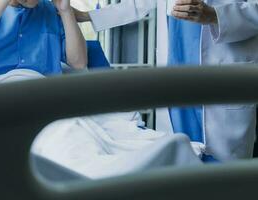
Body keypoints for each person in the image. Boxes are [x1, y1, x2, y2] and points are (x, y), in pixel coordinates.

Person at [74, 0, 258, 161]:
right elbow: (139, 4)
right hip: (177, 74)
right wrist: (87, 16)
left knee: (226, 178)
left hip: (223, 73)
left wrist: (215, 15)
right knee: (181, 160)